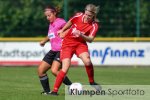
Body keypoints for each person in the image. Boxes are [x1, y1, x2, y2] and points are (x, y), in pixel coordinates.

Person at [50, 4, 101, 95]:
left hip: (80, 44)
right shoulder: (78, 16)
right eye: (86, 14)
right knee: (65, 67)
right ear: (84, 12)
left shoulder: (94, 25)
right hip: (68, 44)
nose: (87, 17)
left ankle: (92, 82)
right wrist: (62, 30)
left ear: (93, 15)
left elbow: (90, 39)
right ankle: (54, 91)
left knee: (87, 61)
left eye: (89, 16)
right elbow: (70, 22)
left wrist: (80, 35)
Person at [37, 6, 72, 95]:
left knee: (54, 70)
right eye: (46, 16)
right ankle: (47, 92)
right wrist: (44, 41)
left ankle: (72, 87)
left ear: (54, 13)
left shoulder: (61, 22)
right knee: (41, 70)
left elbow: (70, 30)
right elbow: (51, 35)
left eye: (49, 15)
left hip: (62, 50)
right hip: (53, 50)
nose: (47, 17)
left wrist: (64, 33)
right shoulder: (51, 24)